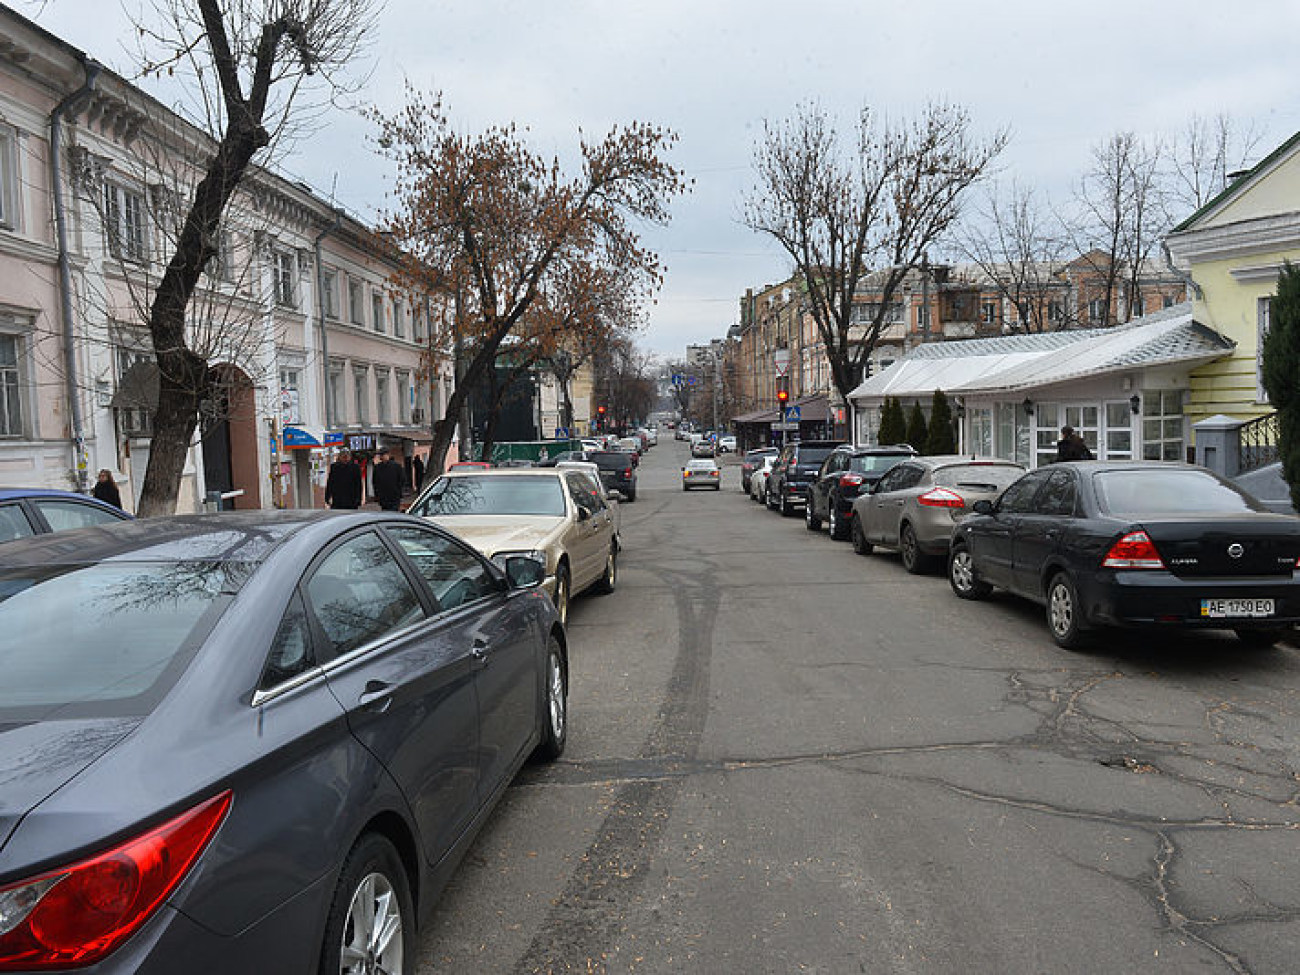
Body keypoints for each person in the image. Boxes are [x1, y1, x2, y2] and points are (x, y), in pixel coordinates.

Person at [371, 447, 404, 511]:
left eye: (382, 455)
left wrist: (398, 492)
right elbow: (375, 482)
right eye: (380, 455)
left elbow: (401, 480)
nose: (381, 457)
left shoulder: (396, 466)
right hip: (383, 498)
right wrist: (378, 495)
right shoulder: (377, 468)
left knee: (394, 514)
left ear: (388, 455)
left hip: (394, 497)